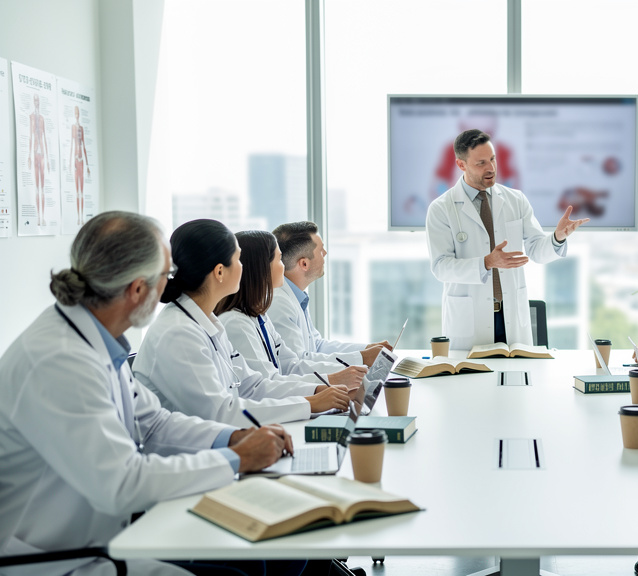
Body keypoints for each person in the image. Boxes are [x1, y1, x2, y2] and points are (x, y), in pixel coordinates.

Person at [0, 211, 291, 575]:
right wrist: (236, 459)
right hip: (51, 562)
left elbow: (153, 423)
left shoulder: (94, 338)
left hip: (100, 538)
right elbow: (122, 483)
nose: (171, 285)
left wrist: (234, 438)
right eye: (166, 275)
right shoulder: (59, 361)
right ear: (138, 289)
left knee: (257, 560)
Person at [134, 219, 352, 427]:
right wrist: (309, 403)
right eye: (238, 260)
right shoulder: (178, 333)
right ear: (220, 272)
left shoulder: (208, 322)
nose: (244, 267)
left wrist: (316, 393)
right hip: (194, 448)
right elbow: (220, 412)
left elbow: (252, 386)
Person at [425, 129, 589, 350]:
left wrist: (557, 238)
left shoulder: (516, 200)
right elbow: (441, 267)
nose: (491, 168)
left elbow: (535, 250)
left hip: (511, 315)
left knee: (517, 371)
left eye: (492, 159)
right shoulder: (441, 209)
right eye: (481, 163)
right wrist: (486, 263)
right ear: (461, 165)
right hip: (469, 319)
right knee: (471, 372)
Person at [217, 230, 368, 387]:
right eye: (280, 259)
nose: (284, 267)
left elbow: (290, 364)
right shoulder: (238, 322)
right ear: (262, 268)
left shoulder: (260, 317)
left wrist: (346, 373)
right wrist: (329, 383)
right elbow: (263, 386)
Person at [268, 221, 389, 366]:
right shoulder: (279, 303)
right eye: (321, 250)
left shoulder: (296, 296)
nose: (325, 253)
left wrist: (367, 349)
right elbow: (297, 363)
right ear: (304, 263)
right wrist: (362, 357)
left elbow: (317, 346)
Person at [28, 93, 51, 227]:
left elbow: (45, 137)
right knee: (37, 187)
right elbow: (30, 136)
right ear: (33, 101)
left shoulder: (42, 119)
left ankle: (43, 217)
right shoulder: (31, 117)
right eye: (35, 100)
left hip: (42, 154)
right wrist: (29, 155)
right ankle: (38, 217)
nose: (37, 102)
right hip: (35, 153)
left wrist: (47, 158)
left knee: (42, 187)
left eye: (38, 100)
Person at [69, 105, 91, 226]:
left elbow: (84, 146)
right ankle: (78, 217)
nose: (77, 115)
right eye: (75, 113)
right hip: (76, 161)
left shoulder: (81, 128)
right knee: (77, 192)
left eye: (78, 113)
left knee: (81, 192)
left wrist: (87, 165)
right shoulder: (73, 127)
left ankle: (82, 217)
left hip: (81, 160)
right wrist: (70, 163)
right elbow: (72, 145)